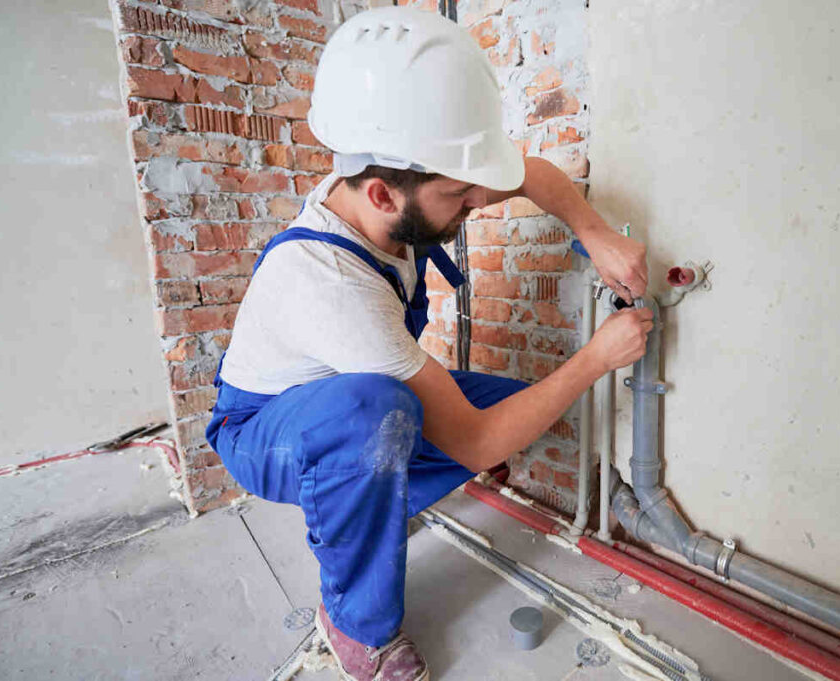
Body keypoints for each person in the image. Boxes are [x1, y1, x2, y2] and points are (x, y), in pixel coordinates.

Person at [205, 7, 652, 681]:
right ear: (384, 193)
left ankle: (371, 503)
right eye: (460, 196)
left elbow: (532, 175)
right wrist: (596, 358)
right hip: (263, 426)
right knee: (381, 416)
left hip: (347, 391)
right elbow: (473, 442)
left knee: (516, 408)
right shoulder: (330, 284)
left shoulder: (394, 184)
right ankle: (357, 624)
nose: (477, 202)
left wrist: (596, 234)